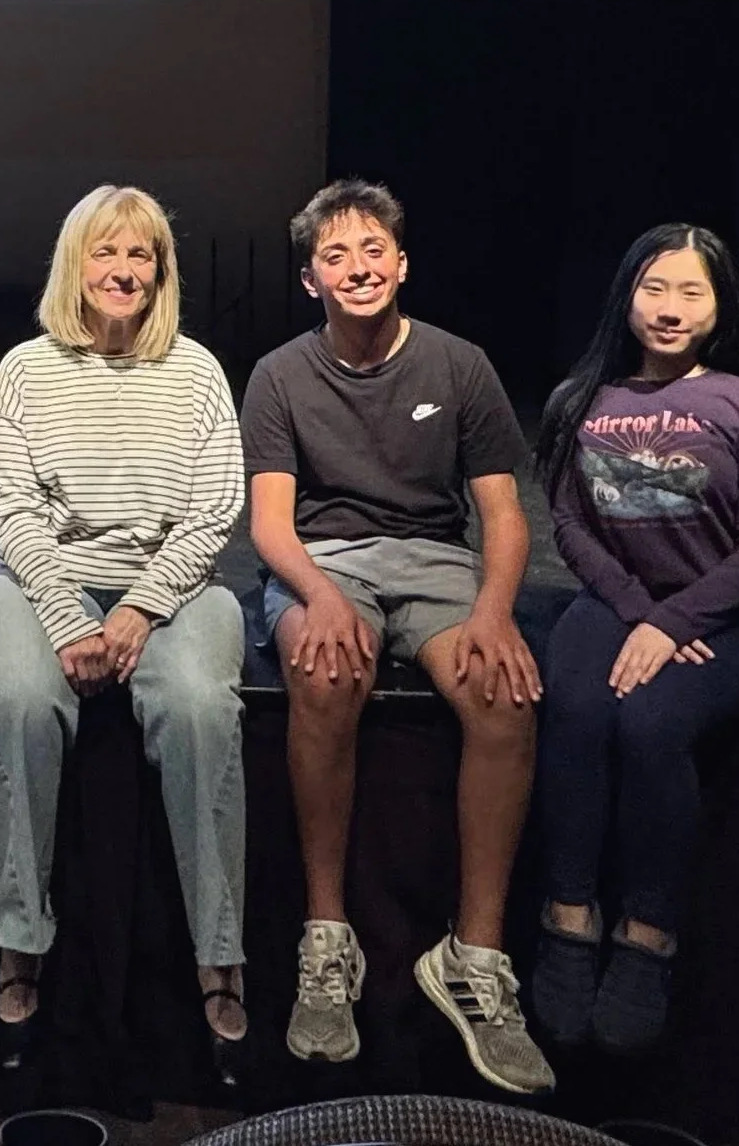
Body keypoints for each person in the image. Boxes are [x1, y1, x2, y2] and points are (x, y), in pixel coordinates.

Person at [244, 180, 554, 1094]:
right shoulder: (279, 373)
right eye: (335, 257)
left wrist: (495, 610)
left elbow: (502, 514)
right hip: (324, 558)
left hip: (433, 562)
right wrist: (317, 594)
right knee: (325, 671)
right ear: (311, 280)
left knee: (504, 696)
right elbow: (269, 525)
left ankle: (476, 957)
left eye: (372, 250)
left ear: (403, 263)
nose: (358, 268)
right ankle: (327, 939)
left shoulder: (461, 365)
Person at [0, 186, 250, 1075]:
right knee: (19, 696)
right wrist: (63, 613)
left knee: (201, 705)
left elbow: (215, 514)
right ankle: (20, 941)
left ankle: (218, 956)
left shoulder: (198, 371)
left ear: (160, 271)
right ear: (75, 265)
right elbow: (11, 512)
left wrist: (137, 610)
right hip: (40, 580)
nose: (123, 271)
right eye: (106, 253)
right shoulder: (25, 367)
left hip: (172, 587)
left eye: (141, 256)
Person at [528, 225, 739, 1056]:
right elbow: (569, 524)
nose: (670, 309)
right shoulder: (580, 400)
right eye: (655, 289)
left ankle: (649, 932)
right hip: (618, 602)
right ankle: (567, 913)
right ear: (626, 295)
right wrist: (636, 610)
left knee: (649, 724)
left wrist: (672, 622)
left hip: (726, 618)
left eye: (691, 293)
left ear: (718, 308)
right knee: (571, 705)